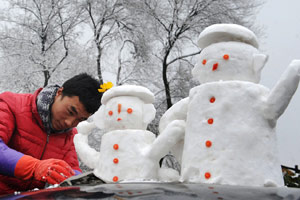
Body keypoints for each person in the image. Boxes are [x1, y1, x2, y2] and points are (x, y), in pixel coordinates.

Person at [0, 73, 102, 195]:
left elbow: (70, 171)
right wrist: (35, 167)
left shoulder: (69, 135)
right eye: (70, 111)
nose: (69, 122)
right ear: (59, 93)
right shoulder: (11, 104)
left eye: (79, 120)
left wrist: (84, 181)